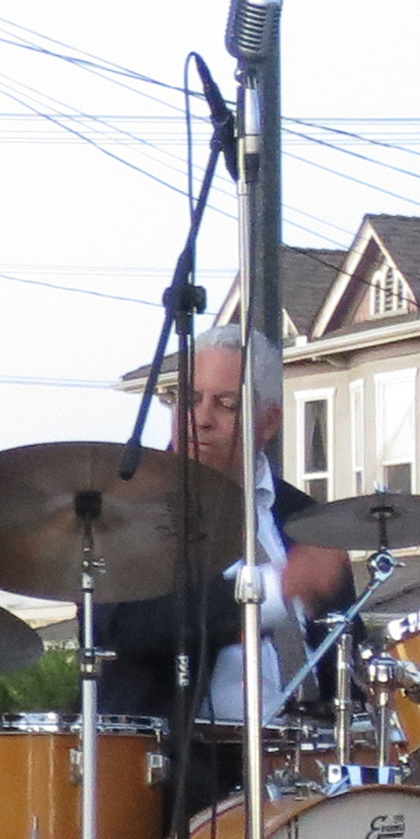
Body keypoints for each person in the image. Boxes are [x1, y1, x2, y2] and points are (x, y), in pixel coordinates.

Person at [96, 324, 352, 794]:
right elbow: (123, 628)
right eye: (189, 400)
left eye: (225, 404)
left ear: (269, 422)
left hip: (309, 773)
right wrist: (274, 591)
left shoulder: (308, 520)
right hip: (180, 777)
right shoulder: (130, 509)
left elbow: (343, 658)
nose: (202, 419)